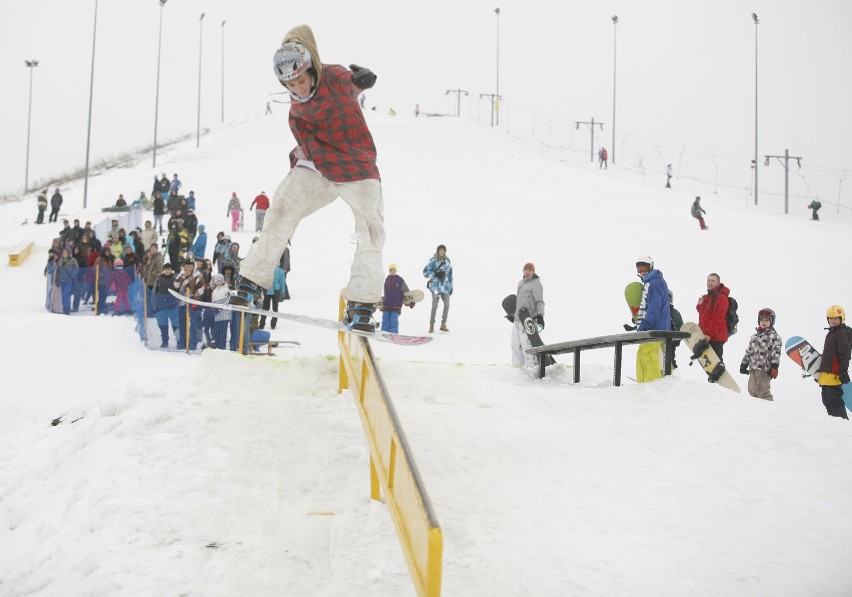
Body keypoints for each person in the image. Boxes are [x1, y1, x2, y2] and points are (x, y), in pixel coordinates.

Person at [230, 25, 383, 335]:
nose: (298, 89)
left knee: (371, 228)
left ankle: (362, 303)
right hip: (316, 163)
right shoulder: (293, 98)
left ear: (312, 67)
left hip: (356, 164)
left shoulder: (333, 76)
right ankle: (250, 282)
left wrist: (361, 80)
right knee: (282, 209)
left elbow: (350, 83)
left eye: (301, 80)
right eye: (290, 84)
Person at [633, 256, 672, 382]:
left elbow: (654, 308)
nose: (643, 272)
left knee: (649, 357)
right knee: (642, 356)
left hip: (654, 328)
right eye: (640, 269)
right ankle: (644, 382)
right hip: (654, 327)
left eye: (645, 268)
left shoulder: (654, 283)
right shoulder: (651, 282)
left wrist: (645, 325)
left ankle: (651, 384)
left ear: (651, 267)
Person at [739, 308, 782, 401]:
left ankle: (769, 408)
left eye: (767, 320)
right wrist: (744, 364)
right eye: (762, 320)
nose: (764, 322)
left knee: (763, 390)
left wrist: (775, 367)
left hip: (764, 369)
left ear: (772, 322)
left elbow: (776, 353)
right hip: (753, 367)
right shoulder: (754, 337)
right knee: (752, 389)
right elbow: (749, 351)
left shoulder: (774, 337)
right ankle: (756, 409)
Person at [817, 305, 850, 419]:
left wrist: (843, 371)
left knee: (834, 402)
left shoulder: (841, 333)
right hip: (827, 375)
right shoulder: (832, 333)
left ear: (842, 319)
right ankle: (833, 426)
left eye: (836, 318)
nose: (833, 321)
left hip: (835, 375)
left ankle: (841, 425)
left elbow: (845, 354)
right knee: (826, 400)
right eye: (830, 318)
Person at [510, 263, 544, 368]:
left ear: (533, 271)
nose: (527, 272)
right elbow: (519, 302)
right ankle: (517, 366)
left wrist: (540, 317)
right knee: (515, 342)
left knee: (526, 343)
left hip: (528, 319)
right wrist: (514, 315)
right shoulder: (520, 283)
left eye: (529, 270)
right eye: (525, 269)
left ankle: (531, 366)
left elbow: (539, 301)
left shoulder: (536, 284)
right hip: (518, 318)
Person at [696, 272, 730, 361]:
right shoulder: (708, 297)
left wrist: (709, 334)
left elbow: (718, 318)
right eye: (708, 280)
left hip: (716, 336)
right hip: (708, 335)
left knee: (716, 362)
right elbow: (705, 315)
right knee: (709, 363)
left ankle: (719, 374)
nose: (710, 283)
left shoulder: (721, 297)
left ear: (718, 283)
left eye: (713, 281)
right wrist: (700, 305)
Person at [423, 244, 453, 333]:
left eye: (443, 250)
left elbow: (451, 275)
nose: (441, 252)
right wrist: (435, 274)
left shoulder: (448, 261)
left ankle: (443, 324)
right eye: (440, 250)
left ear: (445, 251)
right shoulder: (433, 261)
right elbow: (425, 273)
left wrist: (451, 286)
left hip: (446, 288)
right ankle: (431, 325)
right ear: (437, 251)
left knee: (447, 305)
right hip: (436, 287)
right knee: (435, 306)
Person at [154, 262, 180, 348]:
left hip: (173, 306)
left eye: (168, 269)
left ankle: (179, 341)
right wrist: (155, 305)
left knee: (175, 325)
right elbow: (156, 292)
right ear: (163, 270)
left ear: (171, 270)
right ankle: (165, 341)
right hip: (161, 306)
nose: (167, 271)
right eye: (165, 269)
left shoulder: (175, 279)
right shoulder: (159, 280)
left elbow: (178, 291)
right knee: (163, 325)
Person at [380, 263, 412, 333]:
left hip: (396, 305)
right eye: (391, 270)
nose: (392, 271)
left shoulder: (400, 280)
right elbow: (385, 292)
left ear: (396, 270)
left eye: (394, 270)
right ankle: (384, 333)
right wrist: (382, 303)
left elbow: (406, 291)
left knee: (393, 320)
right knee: (385, 319)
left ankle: (394, 334)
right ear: (389, 271)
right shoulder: (387, 279)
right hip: (387, 304)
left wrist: (410, 302)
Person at [259, 264, 286, 330]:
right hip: (277, 291)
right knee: (275, 308)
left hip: (267, 290)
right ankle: (273, 324)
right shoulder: (280, 271)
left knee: (265, 308)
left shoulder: (267, 269)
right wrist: (283, 292)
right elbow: (282, 282)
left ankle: (262, 324)